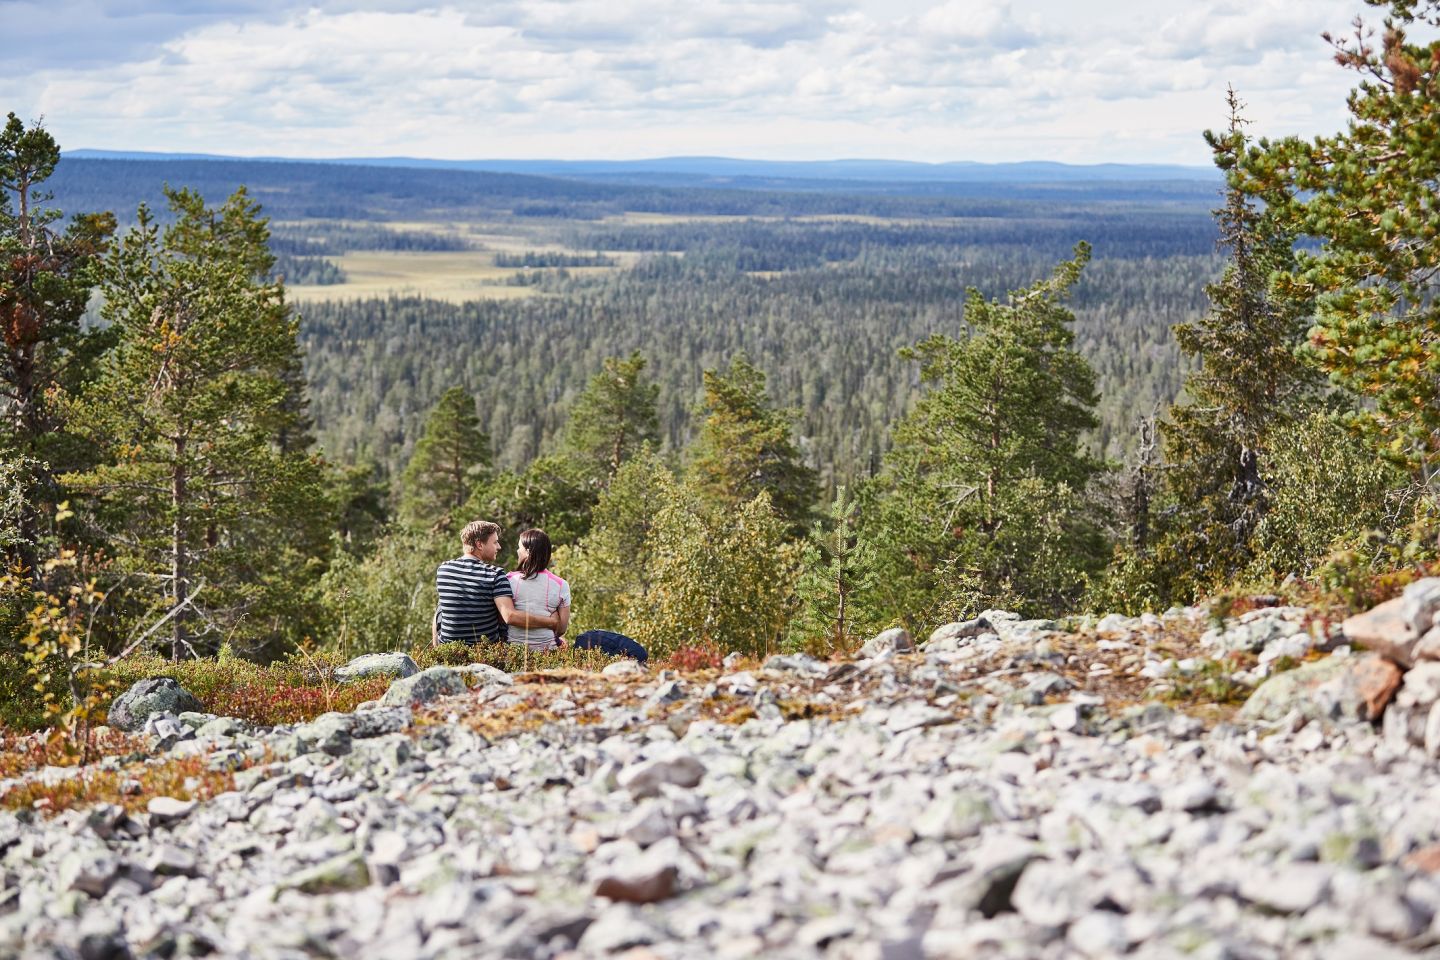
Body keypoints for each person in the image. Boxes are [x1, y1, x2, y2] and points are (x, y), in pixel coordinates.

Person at [434, 520, 562, 646]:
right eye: (495, 542)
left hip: (448, 649)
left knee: (440, 608)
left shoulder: (443, 570)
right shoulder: (494, 574)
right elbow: (510, 616)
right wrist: (551, 622)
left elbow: (439, 615)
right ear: (479, 544)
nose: (499, 547)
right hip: (484, 651)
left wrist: (437, 650)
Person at [506, 528, 571, 651]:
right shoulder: (561, 585)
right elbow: (561, 629)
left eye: (519, 547)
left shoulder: (508, 580)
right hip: (547, 652)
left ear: (527, 552)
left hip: (512, 651)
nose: (517, 551)